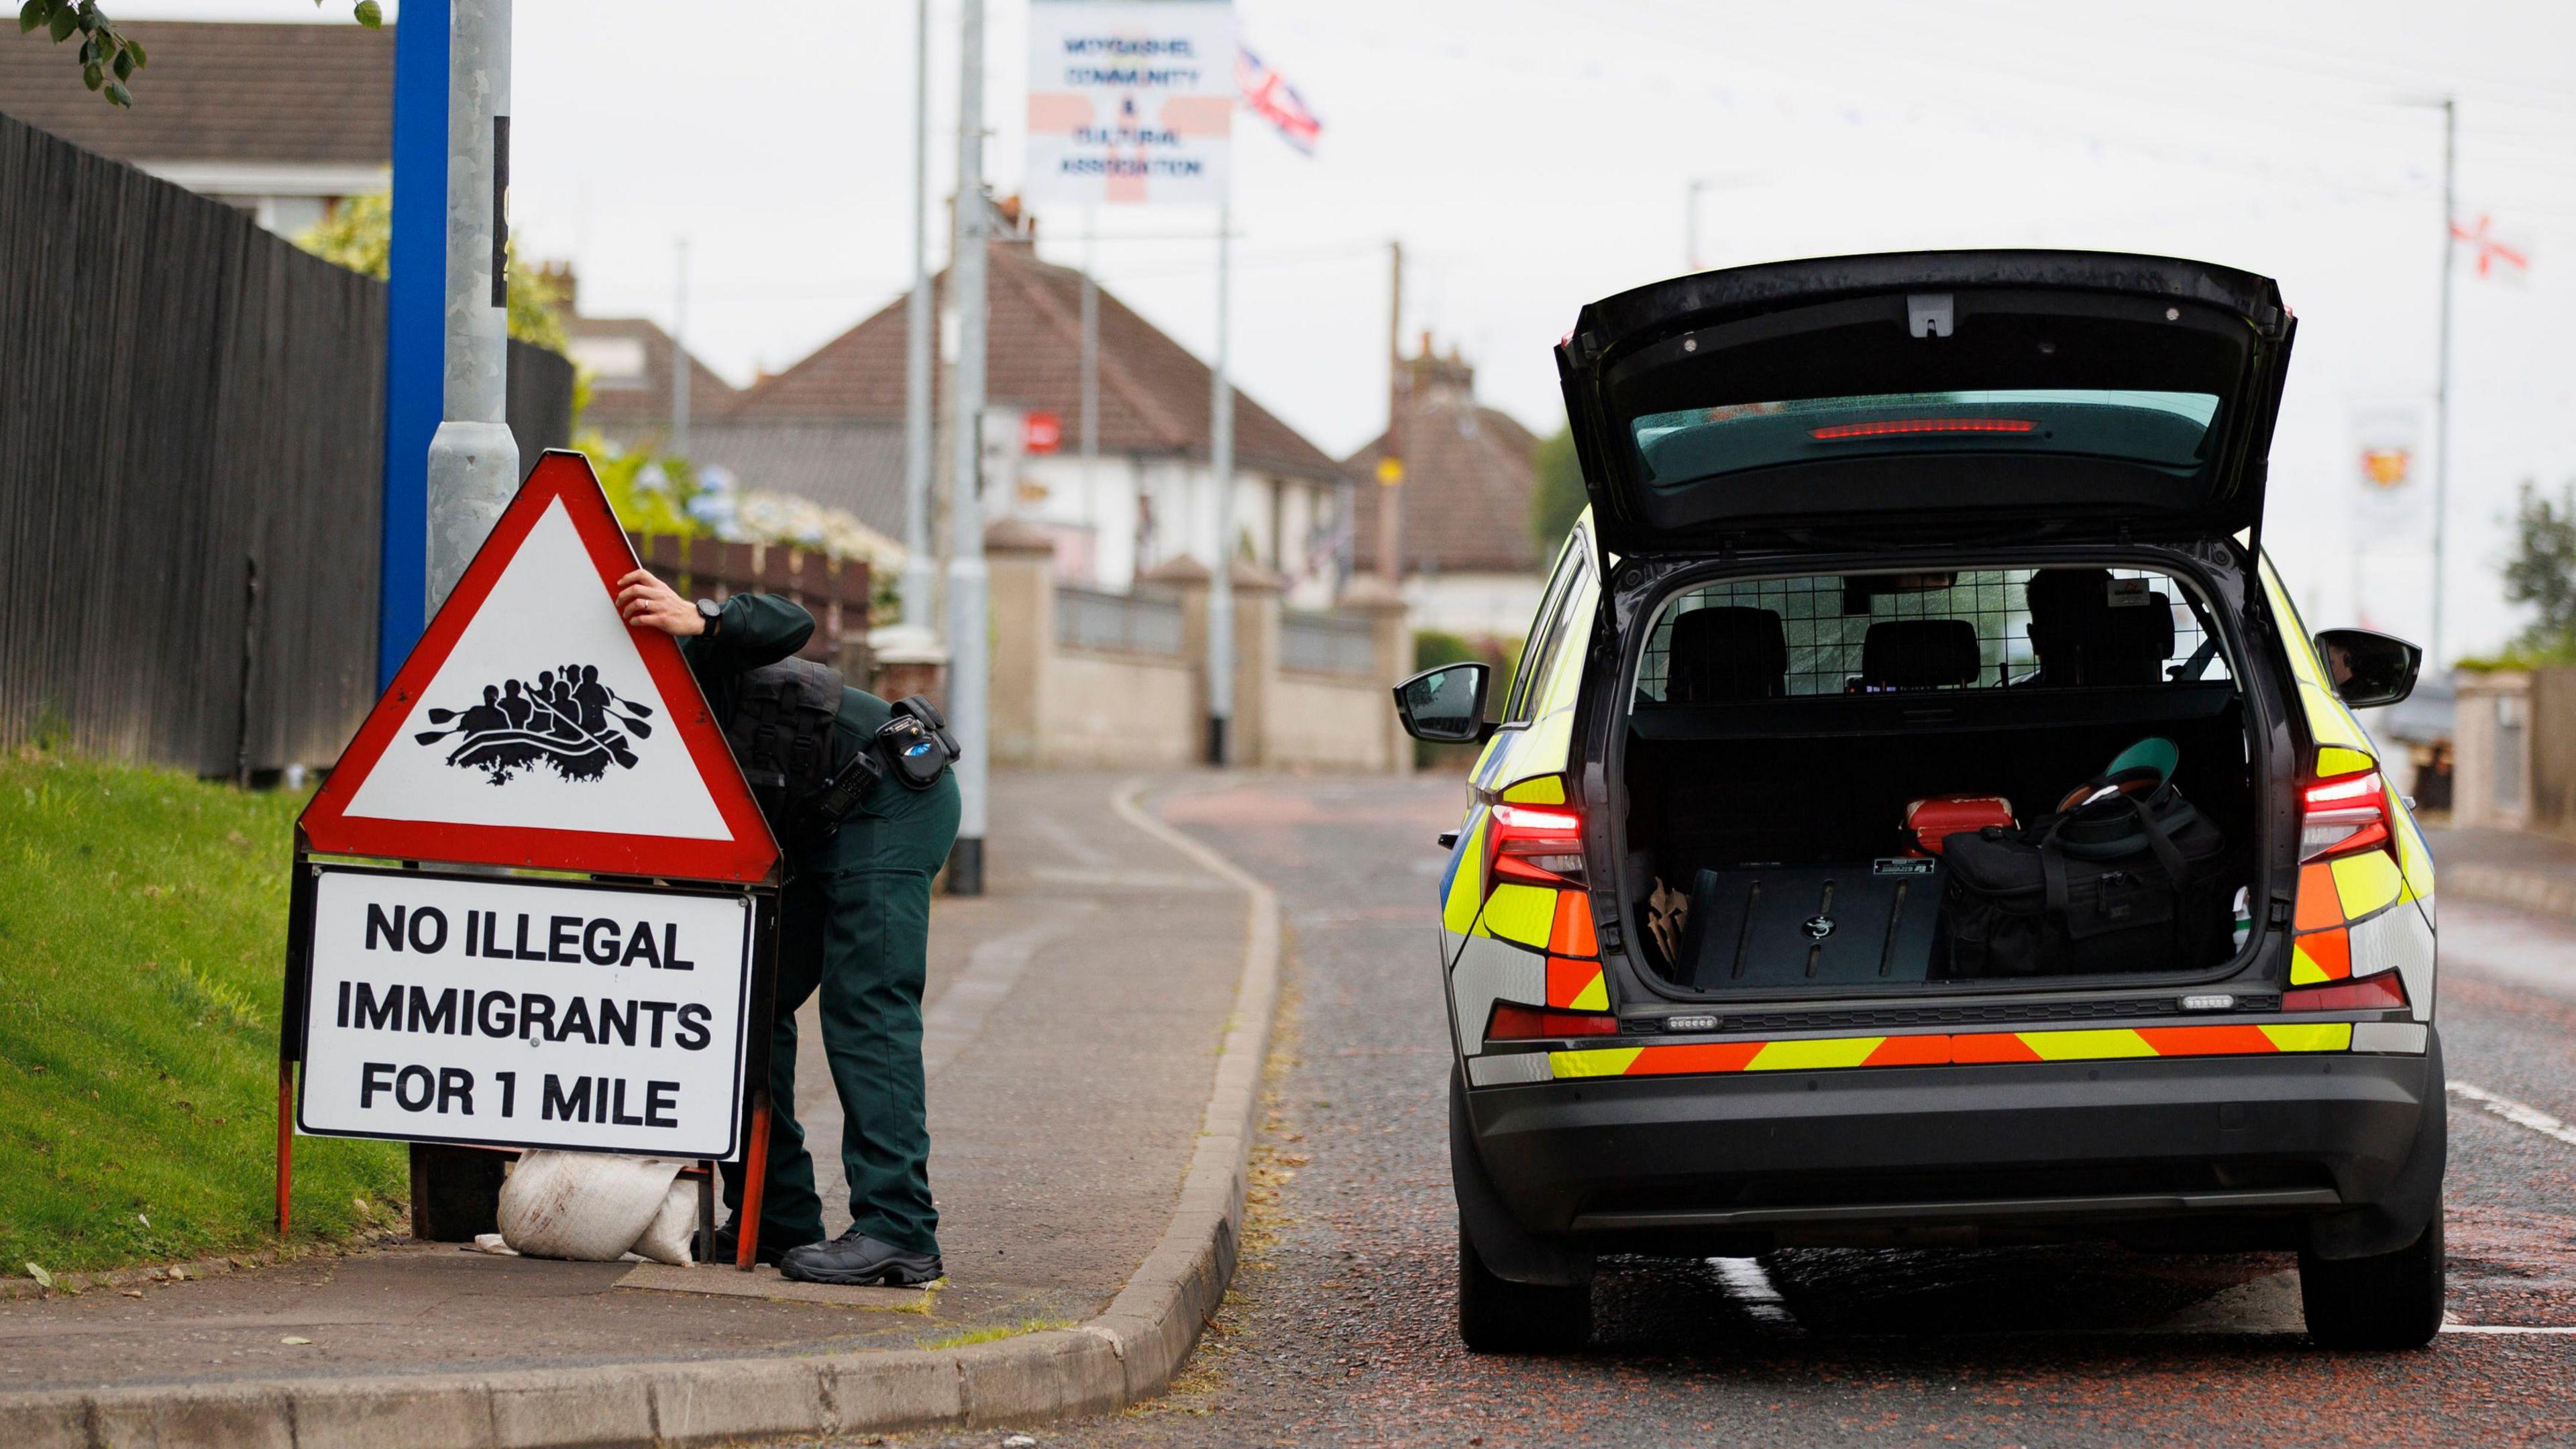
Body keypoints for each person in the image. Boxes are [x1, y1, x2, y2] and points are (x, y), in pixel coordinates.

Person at [616, 567, 959, 1287]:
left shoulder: (679, 654)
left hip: (890, 798)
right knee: (743, 1005)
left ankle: (898, 1230)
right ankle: (778, 1219)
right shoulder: (613, 717)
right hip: (817, 831)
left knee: (865, 1002)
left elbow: (789, 622)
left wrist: (701, 619)